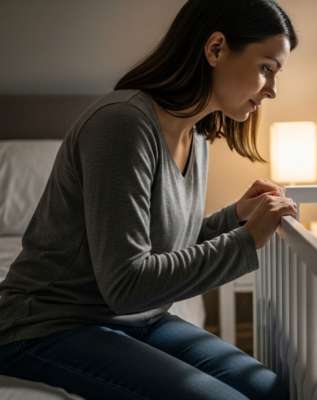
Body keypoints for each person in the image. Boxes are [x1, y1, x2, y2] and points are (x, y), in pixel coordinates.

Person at [0, 0, 298, 399]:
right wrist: (247, 241)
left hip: (138, 317)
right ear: (215, 49)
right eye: (267, 69)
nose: (273, 91)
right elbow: (126, 284)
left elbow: (163, 247)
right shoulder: (121, 124)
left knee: (270, 389)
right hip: (50, 322)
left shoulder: (198, 134)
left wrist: (235, 218)